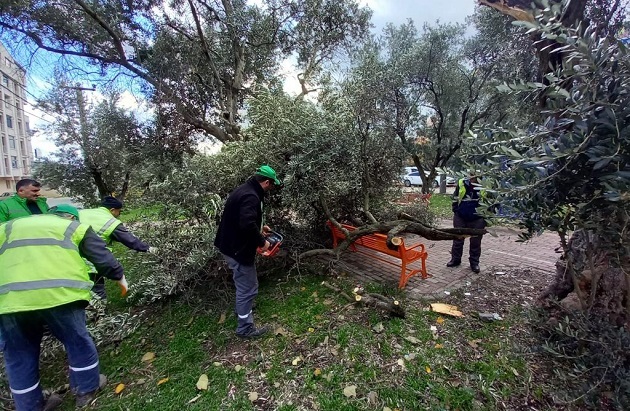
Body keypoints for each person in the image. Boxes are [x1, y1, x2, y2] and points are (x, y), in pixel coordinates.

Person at [0, 204, 128, 410]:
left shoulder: (6, 228)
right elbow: (101, 255)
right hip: (60, 295)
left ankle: (29, 406)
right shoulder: (72, 227)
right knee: (76, 340)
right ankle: (86, 390)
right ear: (70, 216)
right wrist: (119, 277)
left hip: (9, 300)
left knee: (18, 354)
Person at [214, 165, 281, 339]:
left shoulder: (245, 189)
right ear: (266, 182)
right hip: (237, 249)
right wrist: (262, 242)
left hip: (228, 245)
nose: (271, 188)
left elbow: (244, 219)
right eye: (272, 185)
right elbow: (246, 224)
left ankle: (241, 308)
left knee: (241, 282)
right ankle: (245, 328)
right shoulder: (251, 196)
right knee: (249, 287)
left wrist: (260, 228)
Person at [79, 196, 151, 299]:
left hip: (68, 258)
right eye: (119, 212)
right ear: (112, 210)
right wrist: (150, 249)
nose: (119, 215)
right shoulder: (109, 221)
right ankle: (98, 312)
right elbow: (130, 241)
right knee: (96, 290)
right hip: (89, 262)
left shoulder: (83, 212)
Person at [446, 173, 486, 273]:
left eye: (474, 174)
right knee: (457, 239)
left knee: (475, 242)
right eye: (470, 173)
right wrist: (455, 209)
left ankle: (474, 263)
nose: (471, 176)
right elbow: (455, 196)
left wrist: (486, 217)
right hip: (461, 216)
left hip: (478, 218)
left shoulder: (485, 184)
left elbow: (493, 202)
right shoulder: (462, 182)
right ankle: (455, 260)